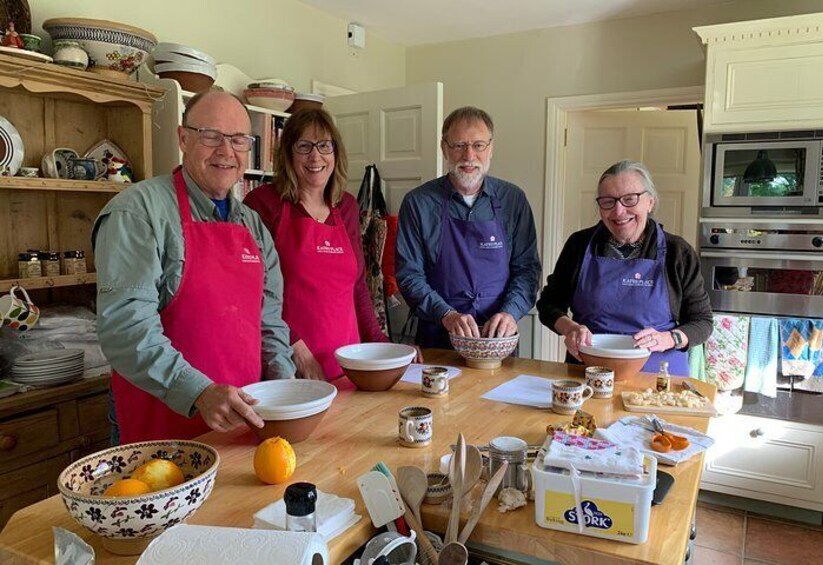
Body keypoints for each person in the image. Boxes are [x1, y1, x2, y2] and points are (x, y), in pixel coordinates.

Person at [93, 90, 296, 443]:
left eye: (238, 140)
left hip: (243, 424)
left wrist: (286, 390)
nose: (226, 151)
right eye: (211, 135)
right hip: (162, 428)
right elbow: (126, 329)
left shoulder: (253, 226)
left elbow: (269, 321)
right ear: (183, 138)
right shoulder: (138, 212)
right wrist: (199, 392)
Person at [244, 108, 392, 383]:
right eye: (304, 146)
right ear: (288, 153)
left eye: (324, 145)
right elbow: (252, 292)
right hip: (288, 364)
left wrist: (382, 344)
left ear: (335, 152)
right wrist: (296, 351)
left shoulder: (346, 205)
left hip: (348, 362)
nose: (315, 157)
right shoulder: (263, 204)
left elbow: (357, 286)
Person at [536, 160, 713, 375]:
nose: (619, 212)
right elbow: (548, 304)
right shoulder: (579, 245)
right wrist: (570, 328)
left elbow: (701, 321)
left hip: (657, 379)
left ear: (650, 202)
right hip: (589, 375)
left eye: (630, 199)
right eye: (608, 202)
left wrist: (668, 338)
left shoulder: (678, 252)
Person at [396, 106, 541, 348]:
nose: (469, 155)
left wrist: (510, 313)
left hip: (497, 340)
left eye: (478, 145)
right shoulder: (418, 203)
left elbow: (526, 270)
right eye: (459, 145)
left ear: (491, 148)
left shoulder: (513, 199)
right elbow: (409, 275)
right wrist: (447, 315)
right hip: (438, 335)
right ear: (444, 148)